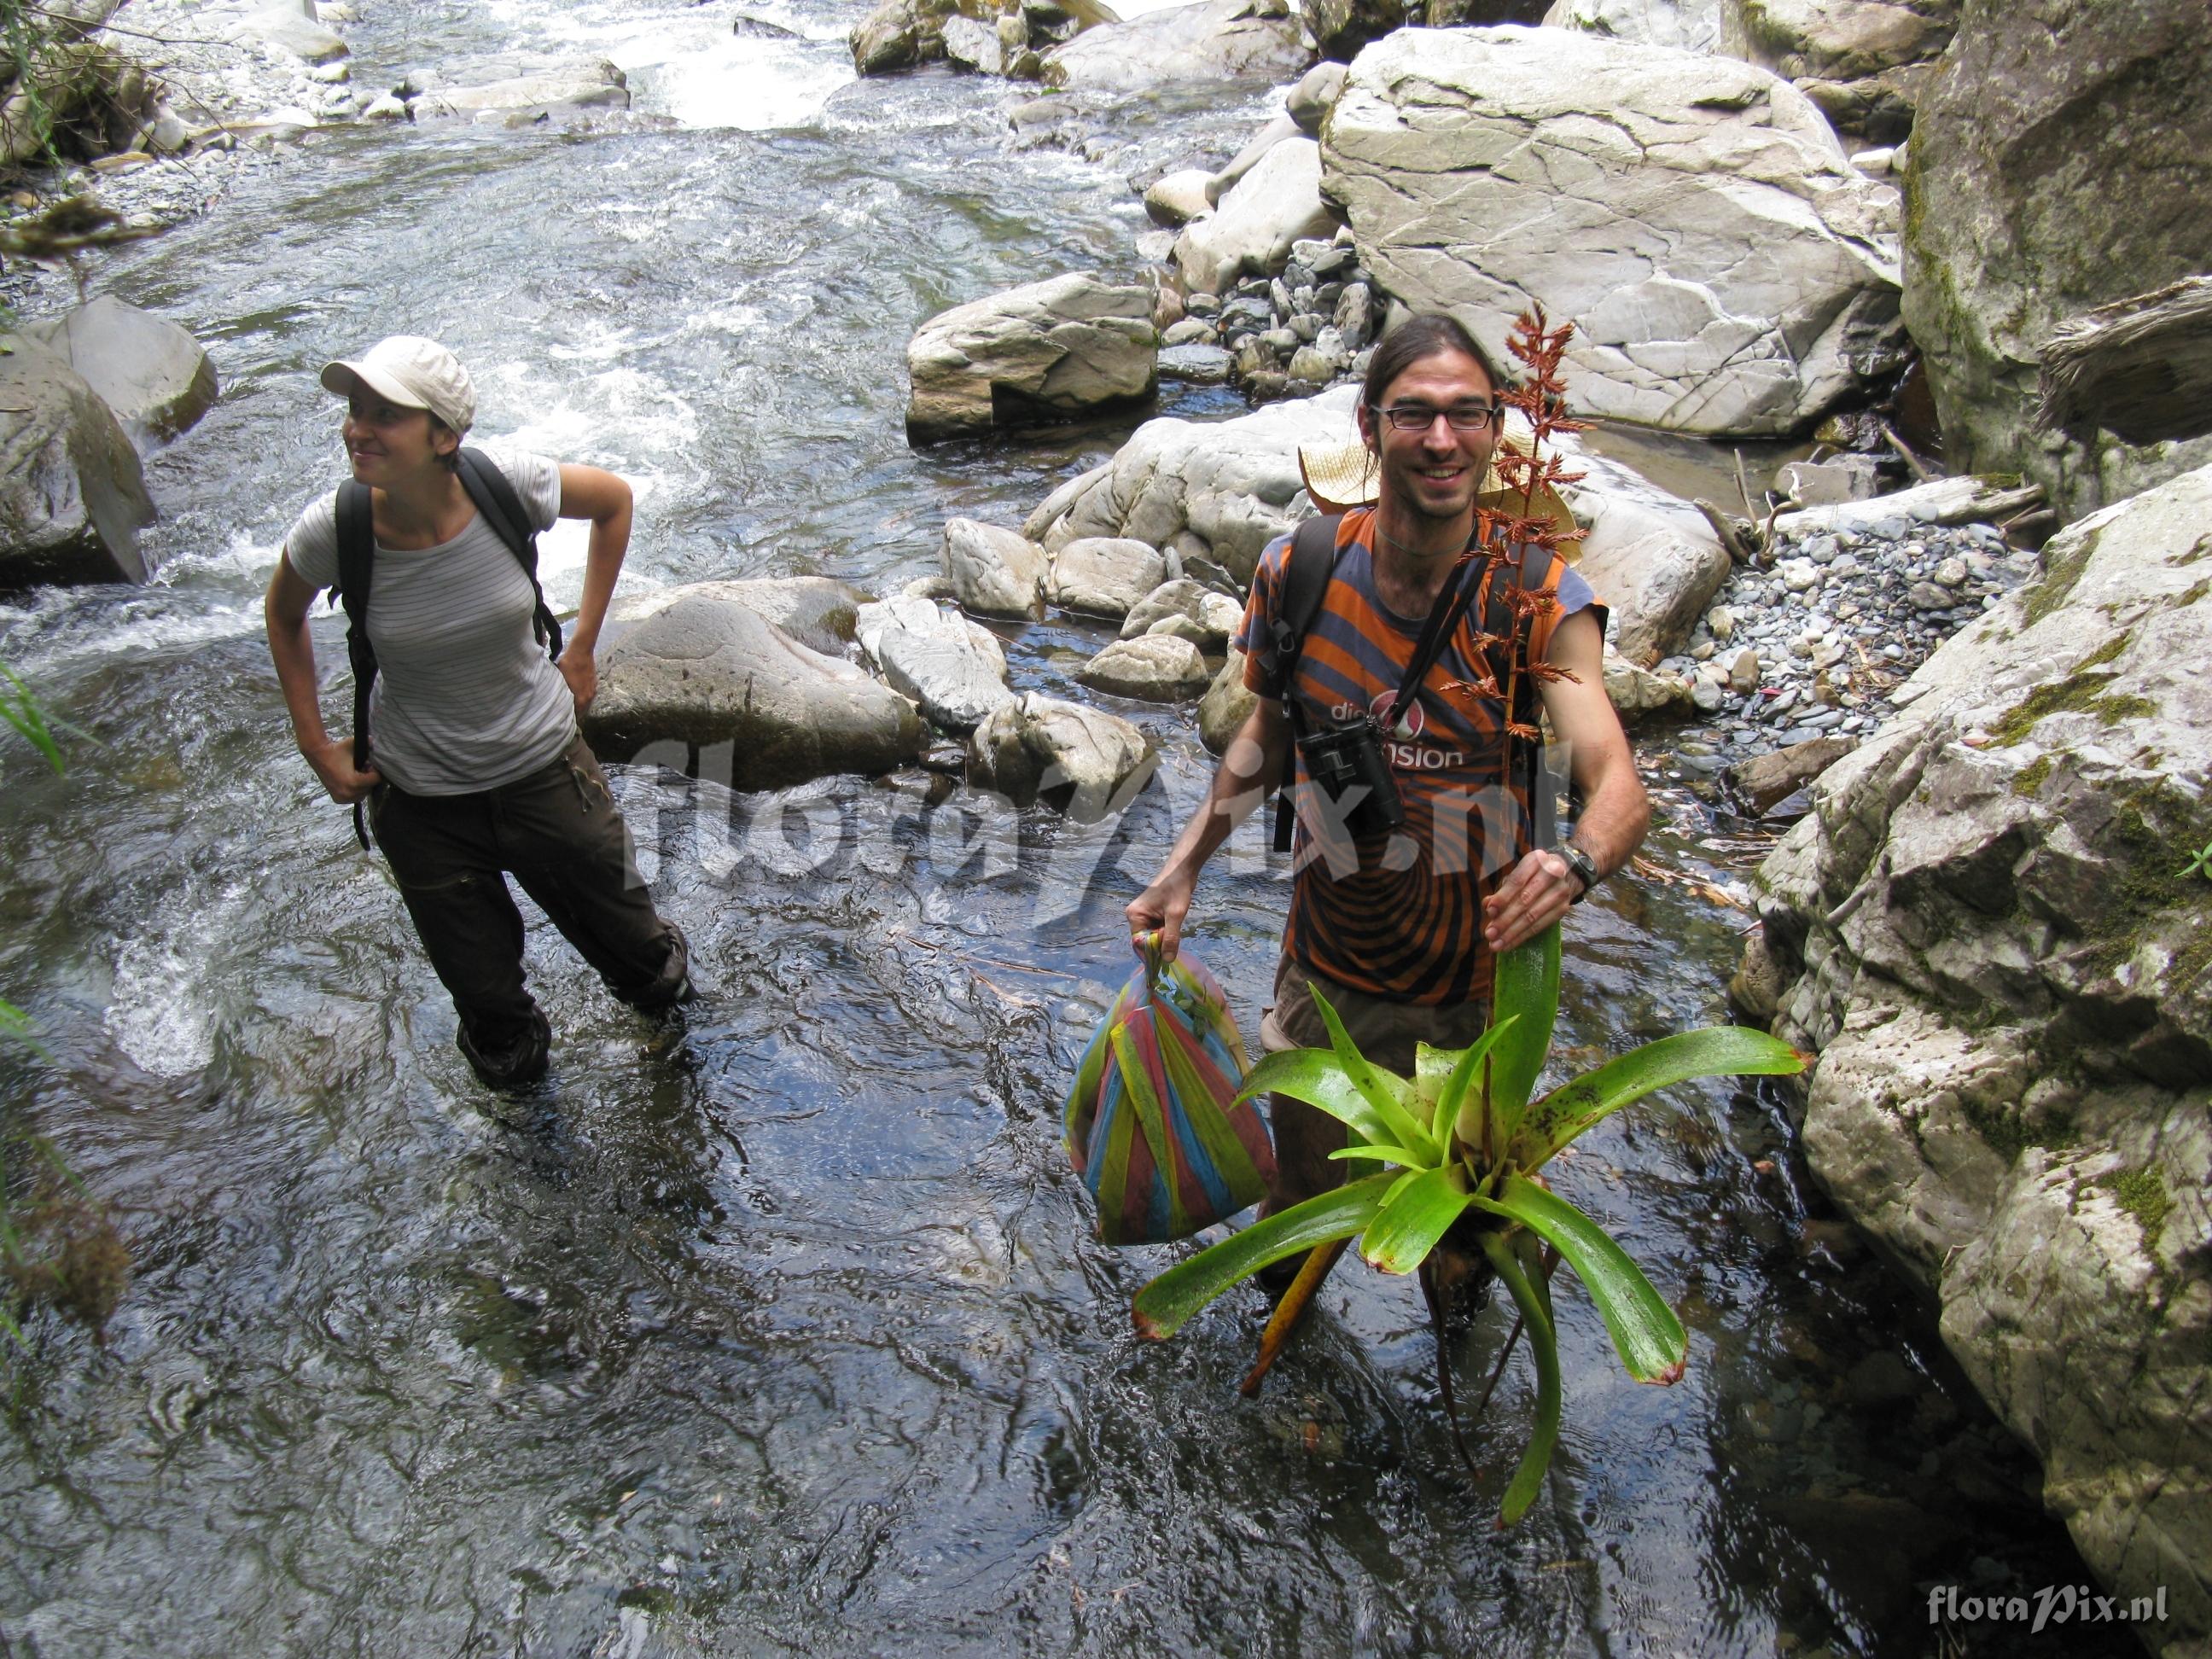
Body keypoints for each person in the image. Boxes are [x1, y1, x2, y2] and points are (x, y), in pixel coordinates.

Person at [1125, 312, 1650, 1223]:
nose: (1441, 439)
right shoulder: (1303, 570)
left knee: (1465, 1241)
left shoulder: (1536, 596)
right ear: (1370, 428)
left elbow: (1616, 783)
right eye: (1414, 414)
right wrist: (1186, 866)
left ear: (1494, 432)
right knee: (1296, 1209)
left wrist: (1574, 864)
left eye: (1466, 414)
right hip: (1328, 973)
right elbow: (1269, 733)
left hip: (1477, 994)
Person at [264, 335, 689, 1088]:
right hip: (425, 810)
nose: (357, 428)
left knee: (650, 972)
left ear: (444, 437)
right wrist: (314, 744)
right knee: (498, 1030)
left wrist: (584, 644)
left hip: (546, 775)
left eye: (385, 415)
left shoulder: (507, 486)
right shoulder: (338, 528)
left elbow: (614, 501)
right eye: (355, 410)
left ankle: (681, 1088)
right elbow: (284, 616)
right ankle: (533, 1166)